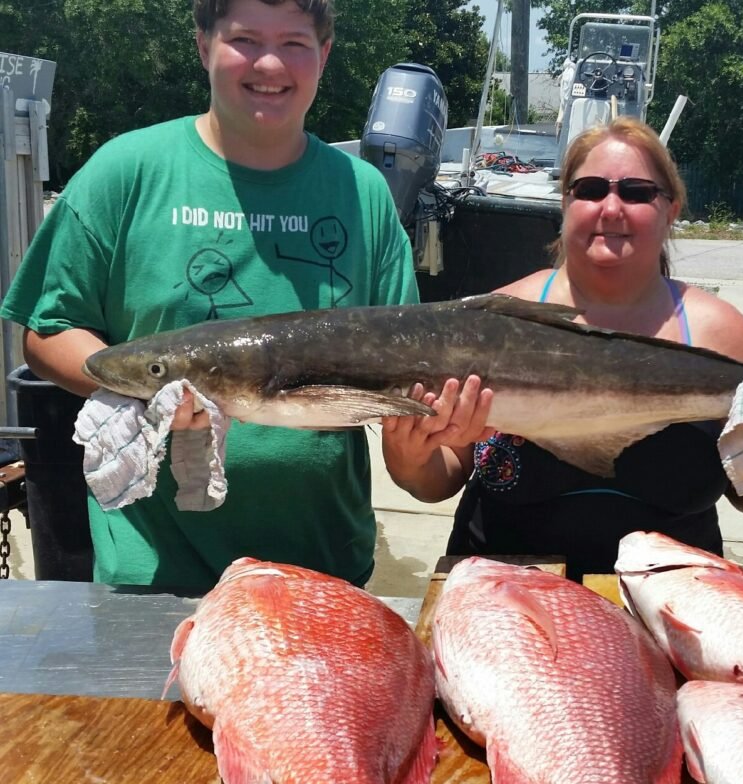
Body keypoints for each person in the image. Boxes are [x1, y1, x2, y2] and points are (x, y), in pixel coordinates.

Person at [0, 0, 453, 592]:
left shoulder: (363, 195)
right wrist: (141, 390)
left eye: (293, 42)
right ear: (202, 45)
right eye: (244, 38)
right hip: (152, 572)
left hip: (322, 569)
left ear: (324, 54)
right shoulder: (124, 173)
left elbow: (414, 371)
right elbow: (47, 328)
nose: (269, 63)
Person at [382, 116, 743, 580]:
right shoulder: (492, 321)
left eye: (636, 191)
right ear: (565, 203)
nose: (611, 208)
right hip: (504, 602)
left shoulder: (720, 336)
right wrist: (411, 458)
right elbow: (438, 480)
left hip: (667, 603)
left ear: (671, 209)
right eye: (590, 189)